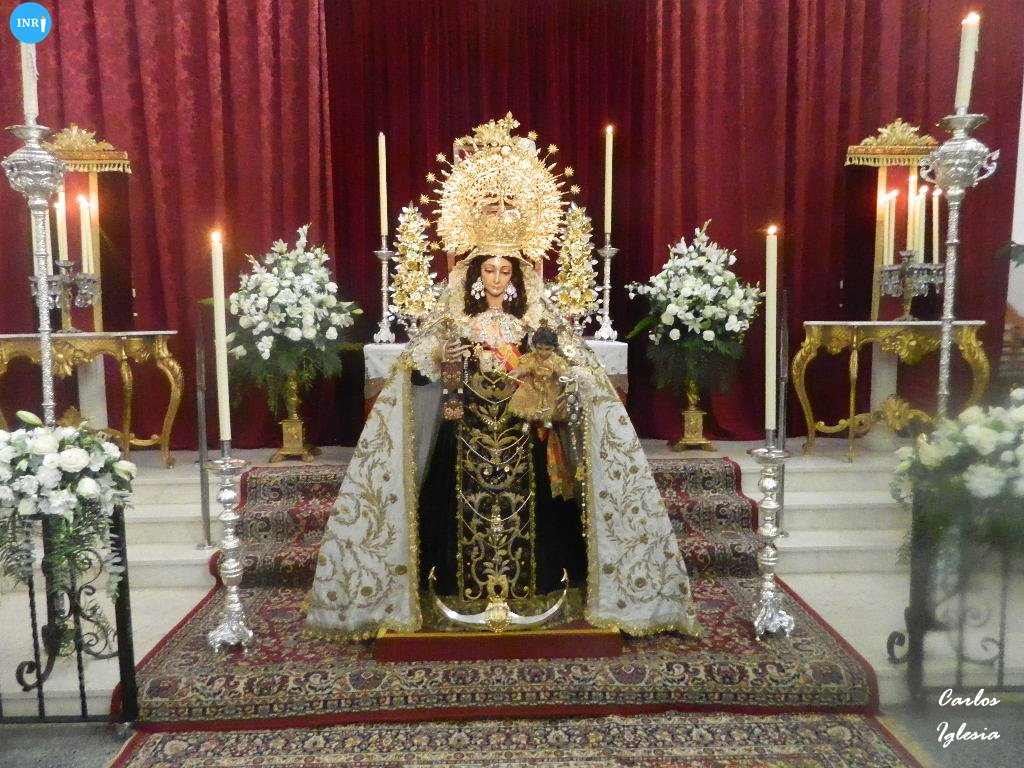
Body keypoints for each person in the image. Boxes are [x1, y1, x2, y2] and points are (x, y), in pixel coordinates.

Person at [305, 115, 698, 640]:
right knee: (454, 507)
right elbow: (416, 369)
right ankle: (452, 588)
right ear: (474, 274)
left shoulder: (533, 322)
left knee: (537, 509)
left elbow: (575, 369)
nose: (496, 277)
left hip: (522, 432)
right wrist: (445, 357)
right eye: (488, 269)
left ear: (516, 277)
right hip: (465, 432)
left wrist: (548, 370)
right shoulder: (455, 321)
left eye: (505, 270)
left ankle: (539, 585)